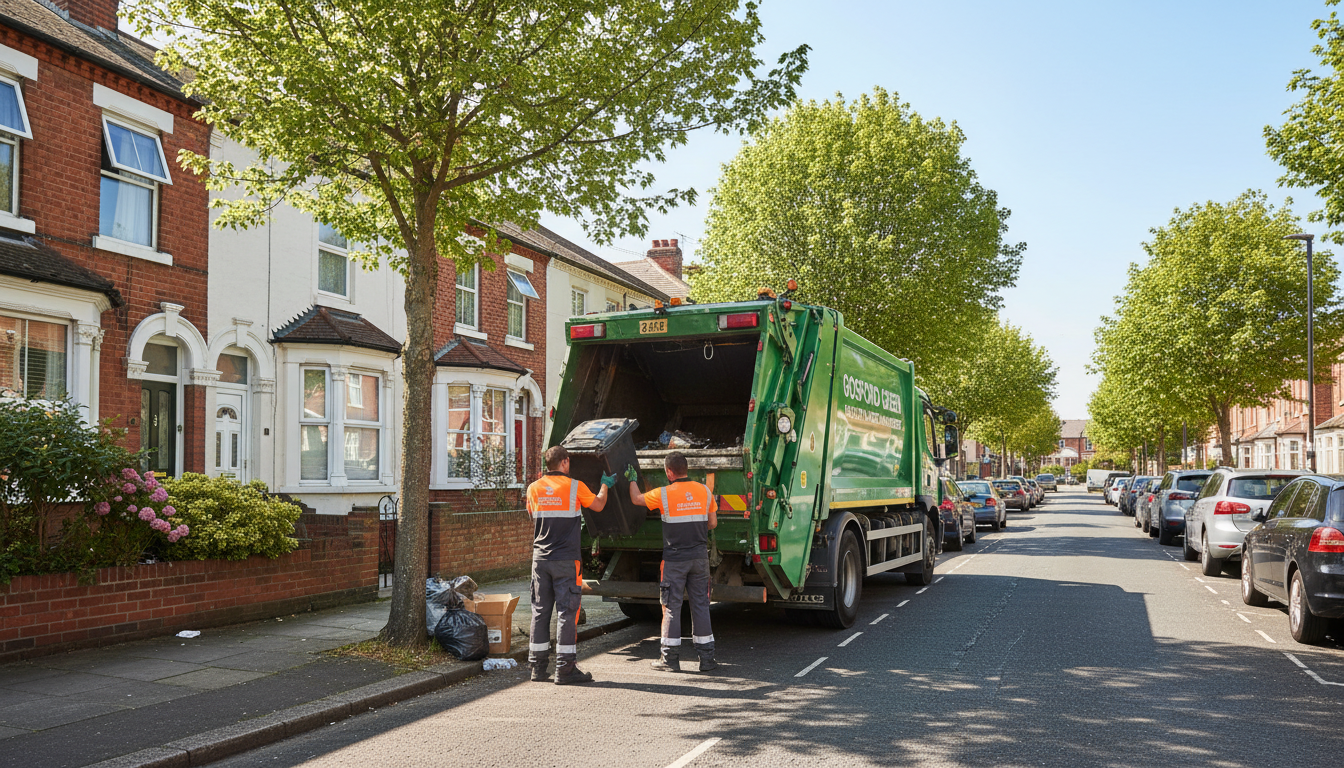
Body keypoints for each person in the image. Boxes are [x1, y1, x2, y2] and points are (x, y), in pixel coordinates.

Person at [526, 445, 615, 685]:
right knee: (567, 612)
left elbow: (532, 514)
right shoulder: (575, 486)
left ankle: (537, 668)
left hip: (540, 560)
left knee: (540, 611)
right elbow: (598, 505)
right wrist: (605, 484)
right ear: (564, 462)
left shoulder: (533, 488)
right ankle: (565, 670)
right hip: (566, 560)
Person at [625, 452, 718, 672]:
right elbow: (712, 523)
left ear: (668, 472)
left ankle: (669, 660)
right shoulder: (704, 491)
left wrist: (631, 479)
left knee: (671, 607)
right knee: (701, 606)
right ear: (687, 469)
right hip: (699, 559)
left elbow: (637, 499)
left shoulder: (663, 494)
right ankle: (707, 660)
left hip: (675, 560)